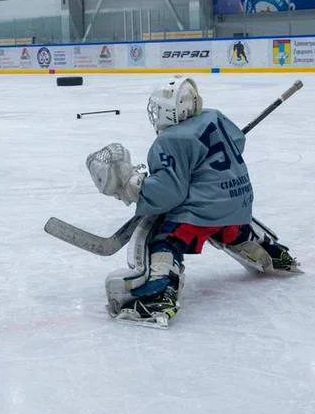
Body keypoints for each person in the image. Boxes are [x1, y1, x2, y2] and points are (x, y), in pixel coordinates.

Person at [85, 76, 300, 327]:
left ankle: (157, 295)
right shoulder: (214, 117)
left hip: (204, 210)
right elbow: (238, 142)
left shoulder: (170, 140)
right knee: (230, 227)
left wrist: (134, 187)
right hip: (239, 202)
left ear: (170, 111)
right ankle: (275, 253)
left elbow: (169, 193)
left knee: (164, 237)